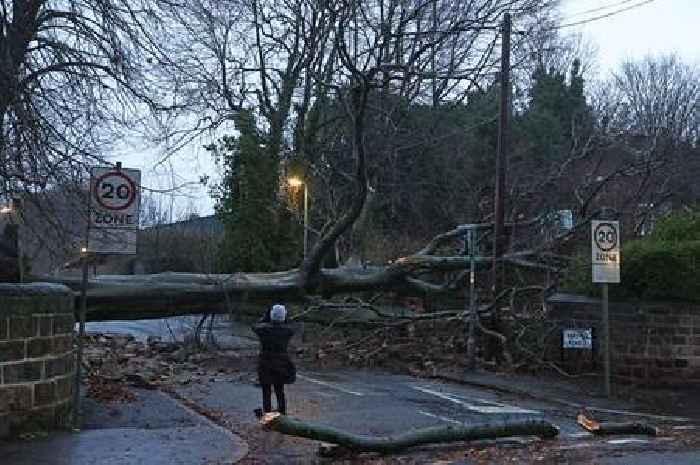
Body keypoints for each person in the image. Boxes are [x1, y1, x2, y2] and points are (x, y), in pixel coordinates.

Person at [252, 304, 296, 415]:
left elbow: (255, 325)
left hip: (265, 362)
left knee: (266, 391)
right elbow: (292, 325)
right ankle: (282, 412)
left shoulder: (263, 330)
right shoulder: (288, 331)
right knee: (279, 390)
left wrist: (265, 317)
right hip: (281, 362)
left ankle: (267, 413)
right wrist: (286, 318)